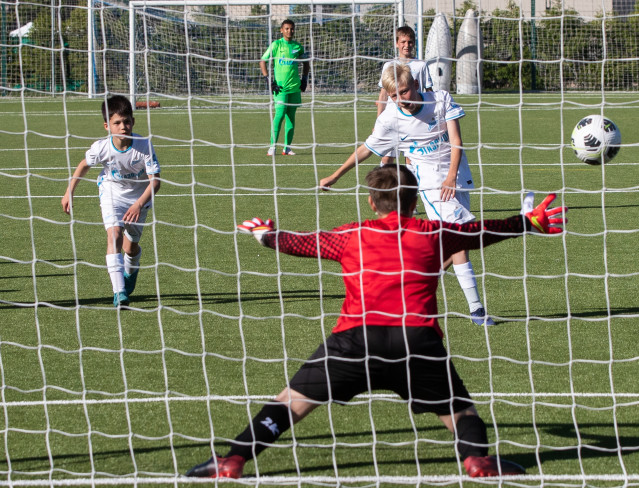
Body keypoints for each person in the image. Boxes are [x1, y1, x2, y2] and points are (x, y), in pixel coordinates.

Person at [185, 164, 566, 479]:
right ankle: (476, 460)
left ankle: (232, 460)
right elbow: (482, 231)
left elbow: (298, 243)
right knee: (461, 412)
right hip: (416, 342)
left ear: (371, 201)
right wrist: (527, 222)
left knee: (289, 403)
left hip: (354, 342)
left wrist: (266, 235)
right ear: (415, 201)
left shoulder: (350, 235)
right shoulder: (434, 233)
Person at [320, 62, 494, 326]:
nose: (401, 100)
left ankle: (403, 290)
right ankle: (477, 310)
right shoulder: (390, 118)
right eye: (393, 96)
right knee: (459, 237)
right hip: (431, 182)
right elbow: (366, 148)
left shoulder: (441, 100)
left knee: (456, 242)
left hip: (458, 175)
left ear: (416, 85)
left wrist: (451, 177)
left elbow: (456, 142)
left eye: (404, 92)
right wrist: (335, 175)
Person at [61, 95, 161, 307]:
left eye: (126, 121)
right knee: (114, 235)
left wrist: (138, 204)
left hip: (138, 199)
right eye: (117, 122)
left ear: (133, 121)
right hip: (111, 194)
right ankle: (119, 292)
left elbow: (155, 183)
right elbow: (84, 165)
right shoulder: (101, 147)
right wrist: (69, 191)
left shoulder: (144, 145)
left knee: (130, 248)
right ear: (107, 126)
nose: (123, 126)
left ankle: (130, 271)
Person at [376, 25, 433, 165]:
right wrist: (378, 121)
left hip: (414, 118)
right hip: (392, 118)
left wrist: (432, 115)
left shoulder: (421, 65)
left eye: (410, 42)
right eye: (403, 42)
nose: (406, 45)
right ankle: (387, 186)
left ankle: (410, 186)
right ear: (397, 43)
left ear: (414, 43)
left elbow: (429, 92)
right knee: (387, 158)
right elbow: (383, 95)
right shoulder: (389, 65)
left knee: (412, 158)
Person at [260, 19, 308, 157]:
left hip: (294, 87)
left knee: (291, 117)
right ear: (281, 30)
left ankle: (287, 148)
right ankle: (272, 147)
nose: (289, 31)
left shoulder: (298, 47)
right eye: (286, 29)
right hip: (280, 89)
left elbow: (306, 63)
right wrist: (269, 80)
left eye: (292, 29)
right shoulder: (276, 45)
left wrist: (304, 78)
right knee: (279, 115)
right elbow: (263, 61)